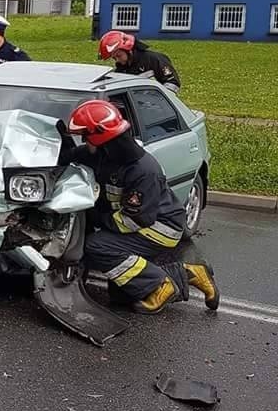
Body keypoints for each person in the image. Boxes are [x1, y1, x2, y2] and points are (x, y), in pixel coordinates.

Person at [61, 99, 218, 314]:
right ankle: (190, 273)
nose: (83, 141)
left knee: (98, 246)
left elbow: (136, 220)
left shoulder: (142, 170)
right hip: (140, 220)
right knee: (121, 295)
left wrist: (96, 217)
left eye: (85, 136)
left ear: (99, 137)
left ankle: (161, 285)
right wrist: (63, 147)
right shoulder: (107, 153)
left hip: (160, 226)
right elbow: (77, 158)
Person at [98, 30, 181, 92]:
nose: (118, 60)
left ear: (129, 50)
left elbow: (172, 83)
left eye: (119, 56)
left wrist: (157, 99)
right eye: (114, 58)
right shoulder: (121, 70)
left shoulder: (154, 60)